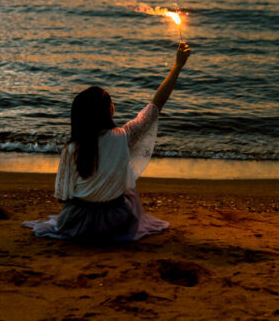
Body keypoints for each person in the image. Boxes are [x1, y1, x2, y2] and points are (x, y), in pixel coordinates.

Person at [23, 41, 191, 242]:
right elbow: (156, 105)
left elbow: (64, 196)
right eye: (109, 103)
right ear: (108, 111)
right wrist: (177, 66)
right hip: (115, 220)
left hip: (76, 220)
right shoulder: (124, 136)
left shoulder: (72, 148)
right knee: (128, 193)